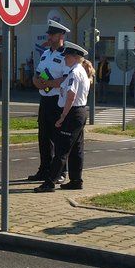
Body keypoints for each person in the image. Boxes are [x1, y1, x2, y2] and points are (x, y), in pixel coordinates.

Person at [35, 42, 93, 192]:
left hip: (73, 112)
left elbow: (70, 96)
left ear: (74, 57)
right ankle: (76, 180)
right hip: (80, 112)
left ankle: (50, 182)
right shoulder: (81, 71)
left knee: (61, 149)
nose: (65, 59)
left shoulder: (74, 73)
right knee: (76, 149)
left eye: (66, 56)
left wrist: (63, 116)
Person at [28, 20, 70, 183]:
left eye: (52, 34)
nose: (49, 37)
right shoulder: (46, 53)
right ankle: (44, 170)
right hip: (44, 100)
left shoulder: (66, 54)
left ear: (61, 36)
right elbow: (37, 73)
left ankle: (60, 172)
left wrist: (50, 84)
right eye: (49, 34)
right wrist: (36, 81)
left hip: (58, 100)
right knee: (43, 137)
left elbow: (67, 78)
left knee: (59, 138)